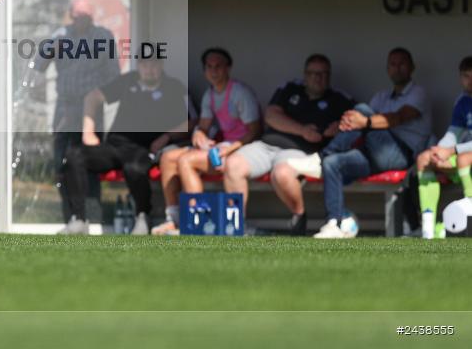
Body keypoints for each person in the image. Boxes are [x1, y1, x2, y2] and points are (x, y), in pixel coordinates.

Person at [304, 47, 431, 239]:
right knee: (333, 164)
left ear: (412, 67)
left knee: (362, 109)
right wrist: (344, 125)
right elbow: (358, 124)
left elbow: (397, 117)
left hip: (403, 155)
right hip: (376, 153)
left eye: (402, 63)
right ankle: (334, 223)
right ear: (387, 68)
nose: (397, 68)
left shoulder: (418, 92)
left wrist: (365, 121)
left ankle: (320, 157)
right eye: (393, 64)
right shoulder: (381, 96)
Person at [221, 54, 353, 235]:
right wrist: (302, 130)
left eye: (323, 73)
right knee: (232, 165)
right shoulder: (290, 88)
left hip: (300, 151)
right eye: (313, 73)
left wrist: (339, 127)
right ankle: (236, 227)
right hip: (267, 145)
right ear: (305, 75)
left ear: (329, 76)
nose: (317, 77)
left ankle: (299, 216)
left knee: (282, 174)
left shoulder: (339, 98)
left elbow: (357, 122)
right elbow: (271, 116)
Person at [59, 56, 191, 235]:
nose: (149, 68)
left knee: (134, 168)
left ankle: (143, 217)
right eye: (144, 63)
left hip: (145, 148)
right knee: (75, 155)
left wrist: (167, 136)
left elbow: (190, 122)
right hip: (115, 145)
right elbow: (93, 97)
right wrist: (88, 131)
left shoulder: (174, 87)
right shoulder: (128, 80)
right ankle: (79, 219)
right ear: (138, 66)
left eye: (154, 63)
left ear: (161, 65)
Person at [26, 0, 120, 222]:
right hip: (65, 107)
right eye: (76, 16)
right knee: (62, 163)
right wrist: (51, 49)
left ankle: (92, 217)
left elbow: (114, 76)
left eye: (85, 17)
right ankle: (70, 219)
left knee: (89, 163)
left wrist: (98, 96)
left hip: (91, 111)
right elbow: (39, 64)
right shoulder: (61, 34)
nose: (80, 21)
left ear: (92, 17)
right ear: (70, 15)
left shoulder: (102, 36)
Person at [152, 48, 262, 235]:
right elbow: (203, 126)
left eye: (218, 66)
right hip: (223, 147)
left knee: (186, 160)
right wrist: (198, 134)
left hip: (243, 149)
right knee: (168, 157)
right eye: (209, 67)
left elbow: (254, 132)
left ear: (228, 68)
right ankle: (174, 219)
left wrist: (228, 150)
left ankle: (199, 221)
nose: (213, 71)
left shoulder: (240, 92)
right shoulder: (209, 95)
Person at [415, 56, 472, 238]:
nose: (470, 81)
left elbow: (457, 148)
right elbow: (454, 132)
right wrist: (439, 151)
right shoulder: (462, 101)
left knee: (463, 158)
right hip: (466, 154)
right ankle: (428, 229)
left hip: (465, 156)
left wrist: (453, 151)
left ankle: (470, 206)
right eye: (465, 76)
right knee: (424, 159)